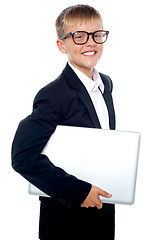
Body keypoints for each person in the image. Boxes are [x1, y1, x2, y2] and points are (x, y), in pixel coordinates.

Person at [11, 4, 116, 240]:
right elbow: (22, 157)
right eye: (79, 36)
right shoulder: (54, 94)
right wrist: (79, 192)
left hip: (104, 208)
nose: (90, 42)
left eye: (97, 34)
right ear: (61, 45)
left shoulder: (105, 84)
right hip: (67, 217)